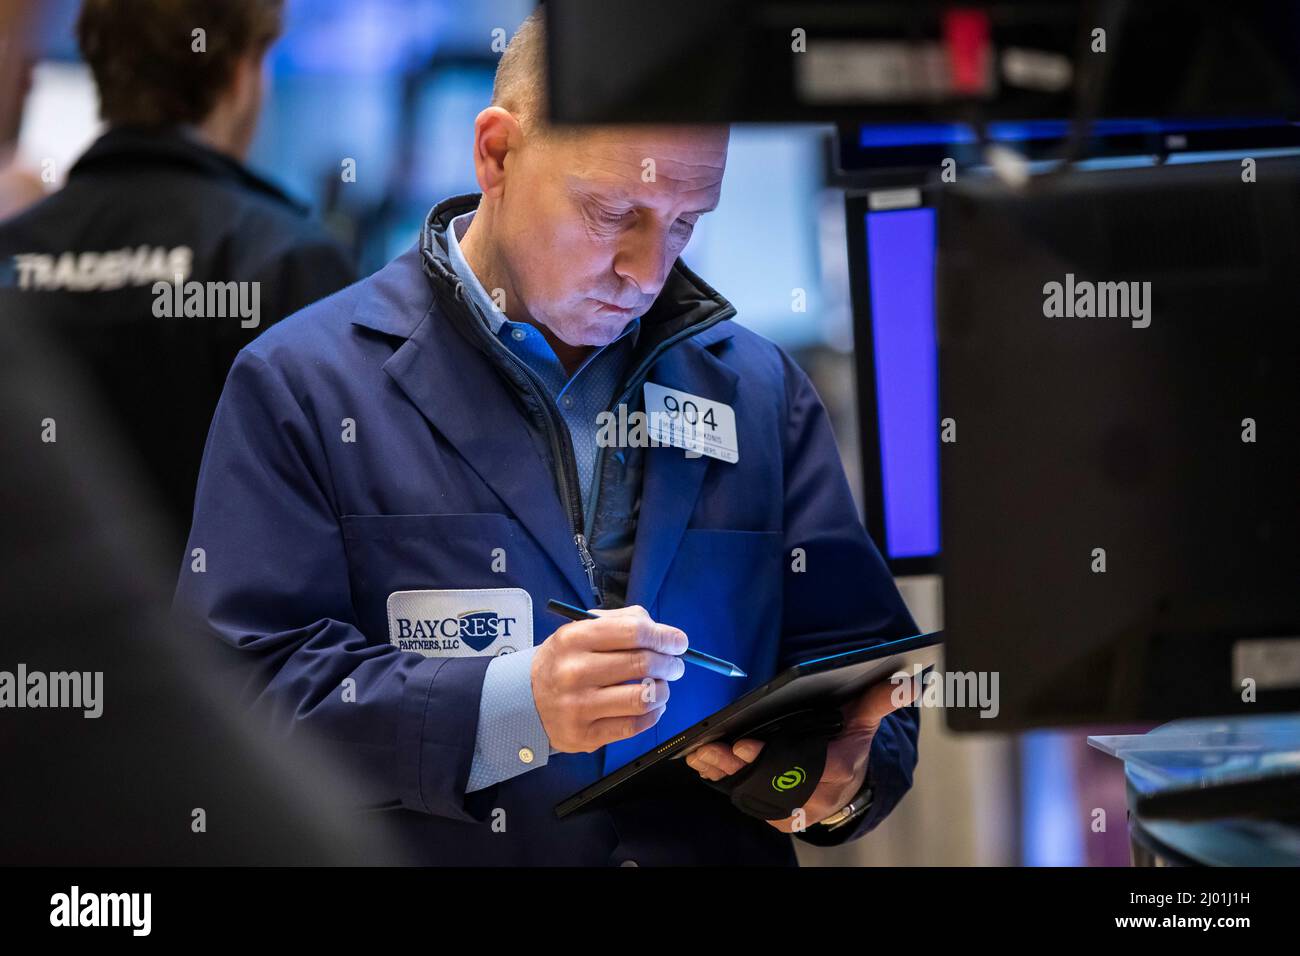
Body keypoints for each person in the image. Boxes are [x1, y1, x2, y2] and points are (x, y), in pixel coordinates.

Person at [175, 9, 921, 866]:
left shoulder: (758, 391)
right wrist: (510, 708)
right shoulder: (303, 385)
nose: (648, 271)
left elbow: (864, 682)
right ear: (496, 154)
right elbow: (233, 700)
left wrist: (823, 780)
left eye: (686, 221)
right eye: (613, 213)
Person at [0, 0, 355, 553]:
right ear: (242, 75)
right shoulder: (289, 259)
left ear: (100, 68)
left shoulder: (12, 253)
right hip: (224, 640)